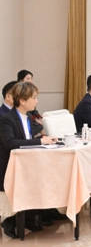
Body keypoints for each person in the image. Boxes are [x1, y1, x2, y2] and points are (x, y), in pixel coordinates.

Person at [0, 82, 57, 237]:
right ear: (22, 101)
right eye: (34, 98)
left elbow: (30, 138)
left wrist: (47, 138)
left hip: (27, 164)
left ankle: (39, 214)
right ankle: (13, 221)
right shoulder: (7, 119)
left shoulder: (29, 117)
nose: (37, 101)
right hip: (10, 167)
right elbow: (10, 143)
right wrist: (40, 141)